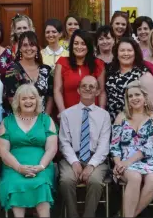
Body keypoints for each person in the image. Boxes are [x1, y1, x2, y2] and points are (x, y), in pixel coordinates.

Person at [0, 84, 58, 217]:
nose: (28, 101)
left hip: (42, 166)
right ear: (17, 101)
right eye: (24, 98)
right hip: (13, 167)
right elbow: (3, 151)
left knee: (41, 184)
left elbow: (52, 148)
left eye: (32, 98)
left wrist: (41, 166)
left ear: (37, 100)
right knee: (16, 183)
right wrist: (19, 168)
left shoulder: (46, 120)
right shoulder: (7, 122)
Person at [58, 75, 111, 218]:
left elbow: (104, 145)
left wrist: (91, 165)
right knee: (66, 180)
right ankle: (72, 215)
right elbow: (64, 142)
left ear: (98, 92)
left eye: (92, 86)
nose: (87, 89)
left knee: (94, 181)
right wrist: (74, 162)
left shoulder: (104, 115)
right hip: (72, 158)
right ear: (78, 90)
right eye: (84, 86)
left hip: (96, 158)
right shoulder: (67, 114)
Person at [110, 81, 153, 217]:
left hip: (151, 160)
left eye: (137, 95)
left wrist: (127, 162)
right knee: (134, 177)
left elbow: (150, 146)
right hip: (123, 162)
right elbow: (114, 145)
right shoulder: (121, 117)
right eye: (130, 96)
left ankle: (128, 215)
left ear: (144, 97)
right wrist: (118, 163)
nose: (134, 98)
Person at [54, 29, 106, 114]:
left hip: (93, 114)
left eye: (83, 44)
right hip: (68, 114)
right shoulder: (62, 63)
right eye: (76, 43)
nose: (79, 47)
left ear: (88, 46)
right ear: (71, 45)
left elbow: (102, 92)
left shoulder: (98, 64)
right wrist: (62, 112)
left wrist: (101, 113)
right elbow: (57, 90)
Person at [104, 37, 153, 121]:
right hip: (110, 122)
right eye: (122, 50)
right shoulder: (110, 70)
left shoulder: (144, 74)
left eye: (129, 50)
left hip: (133, 123)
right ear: (117, 53)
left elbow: (152, 105)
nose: (126, 53)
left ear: (135, 53)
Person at [5, 31, 54, 114]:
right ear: (20, 48)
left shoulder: (46, 70)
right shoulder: (12, 70)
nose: (29, 48)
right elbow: (11, 99)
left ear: (37, 48)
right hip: (20, 119)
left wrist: (45, 118)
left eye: (32, 45)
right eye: (25, 45)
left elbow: (50, 97)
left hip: (42, 119)